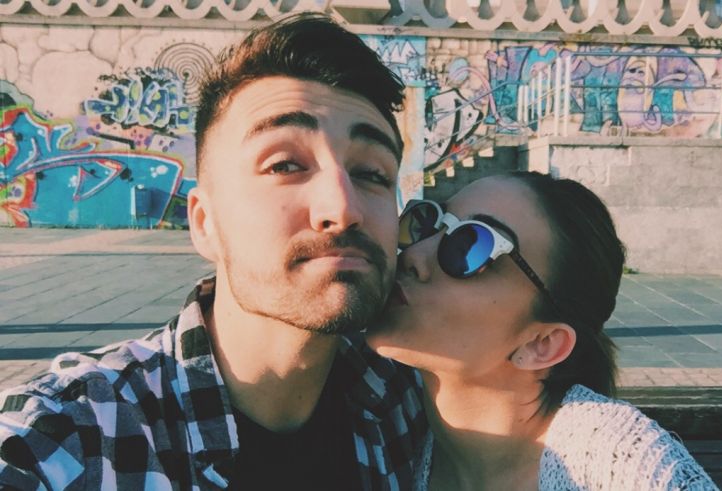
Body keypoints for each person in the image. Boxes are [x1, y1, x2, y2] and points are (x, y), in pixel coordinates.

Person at [0, 13, 426, 490]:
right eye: (285, 164)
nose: (343, 207)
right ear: (204, 222)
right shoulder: (72, 437)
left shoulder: (410, 403)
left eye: (372, 173)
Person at [367, 172, 718, 490]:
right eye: (427, 222)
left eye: (470, 246)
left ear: (542, 344)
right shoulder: (386, 417)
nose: (414, 253)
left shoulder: (621, 464)